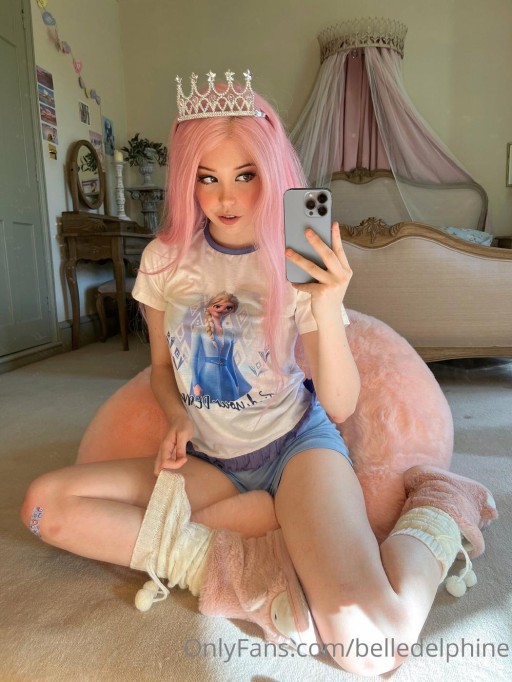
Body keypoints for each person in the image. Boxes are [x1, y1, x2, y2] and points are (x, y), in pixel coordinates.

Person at [20, 70, 497, 677]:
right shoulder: (164, 261)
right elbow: (162, 368)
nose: (227, 198)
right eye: (207, 177)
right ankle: (241, 556)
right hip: (210, 464)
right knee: (44, 506)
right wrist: (175, 417)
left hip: (297, 451)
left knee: (371, 648)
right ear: (186, 180)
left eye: (245, 175)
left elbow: (341, 405)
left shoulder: (295, 255)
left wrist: (327, 302)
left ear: (271, 173)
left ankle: (440, 510)